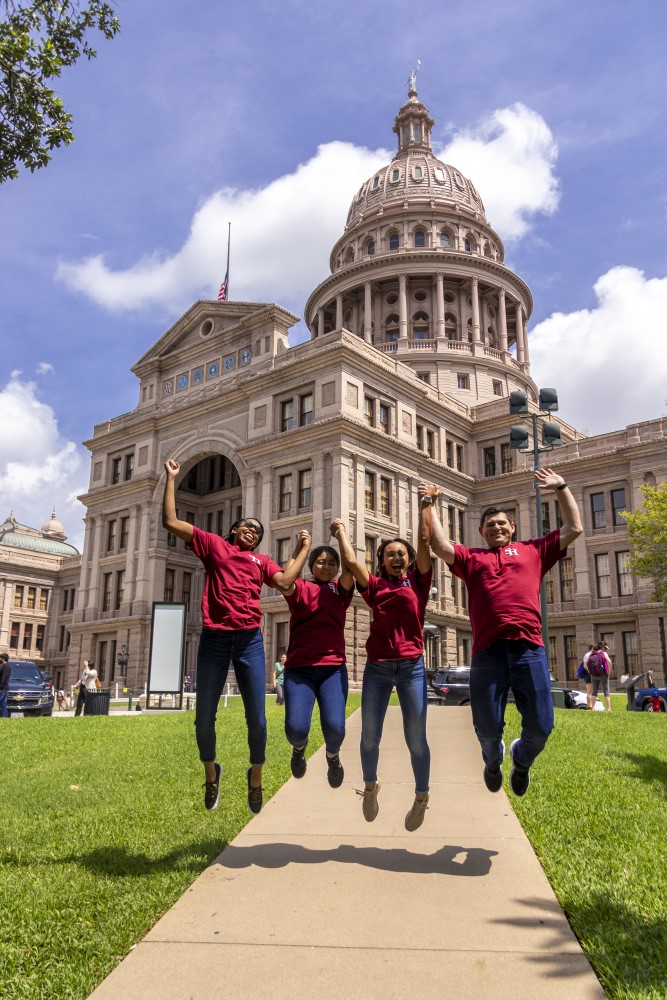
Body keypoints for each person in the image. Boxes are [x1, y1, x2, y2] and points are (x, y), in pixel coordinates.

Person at [162, 458, 310, 814]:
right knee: (203, 718)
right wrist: (171, 479)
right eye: (247, 526)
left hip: (249, 640)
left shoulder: (260, 562)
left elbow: (286, 582)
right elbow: (171, 521)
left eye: (258, 531)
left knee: (257, 719)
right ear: (232, 531)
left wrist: (302, 550)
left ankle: (255, 778)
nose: (253, 531)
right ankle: (212, 775)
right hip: (214, 639)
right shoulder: (214, 546)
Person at [425, 467, 582, 796]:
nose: (497, 527)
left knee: (541, 726)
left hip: (529, 650)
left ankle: (521, 760)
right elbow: (440, 545)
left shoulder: (534, 550)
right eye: (490, 525)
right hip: (488, 653)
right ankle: (493, 760)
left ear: (512, 528)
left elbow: (574, 528)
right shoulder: (473, 558)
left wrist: (561, 487)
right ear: (482, 531)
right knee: (486, 727)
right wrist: (429, 503)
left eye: (502, 523)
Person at [332, 491, 434, 832]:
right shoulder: (374, 586)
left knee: (416, 737)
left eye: (401, 554)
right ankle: (371, 787)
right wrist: (342, 532)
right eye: (389, 554)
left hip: (412, 668)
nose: (396, 557)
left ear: (408, 560)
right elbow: (351, 561)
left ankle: (421, 799)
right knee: (369, 736)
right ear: (382, 561)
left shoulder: (419, 583)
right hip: (377, 667)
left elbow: (423, 540)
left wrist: (425, 505)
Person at [279, 535, 354, 787]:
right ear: (311, 565)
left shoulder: (340, 591)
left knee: (335, 730)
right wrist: (302, 548)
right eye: (320, 562)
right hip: (299, 670)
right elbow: (285, 578)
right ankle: (299, 749)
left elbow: (350, 565)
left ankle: (332, 756)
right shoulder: (299, 587)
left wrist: (341, 534)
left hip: (332, 670)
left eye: (332, 563)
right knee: (295, 730)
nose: (327, 566)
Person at [588, 641, 612, 712]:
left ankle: (593, 709)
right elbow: (610, 662)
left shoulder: (592, 654)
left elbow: (586, 663)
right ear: (603, 647)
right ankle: (608, 709)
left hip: (594, 675)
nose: (605, 649)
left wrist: (590, 671)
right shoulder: (603, 653)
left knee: (594, 692)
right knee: (606, 691)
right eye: (605, 647)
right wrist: (609, 672)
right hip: (603, 674)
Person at [0, 652, 10, 718]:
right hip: (4, 688)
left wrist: (0, 686)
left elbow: (3, 678)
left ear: (3, 659)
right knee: (3, 704)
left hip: (3, 688)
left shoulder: (6, 666)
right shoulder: (4, 666)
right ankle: (5, 717)